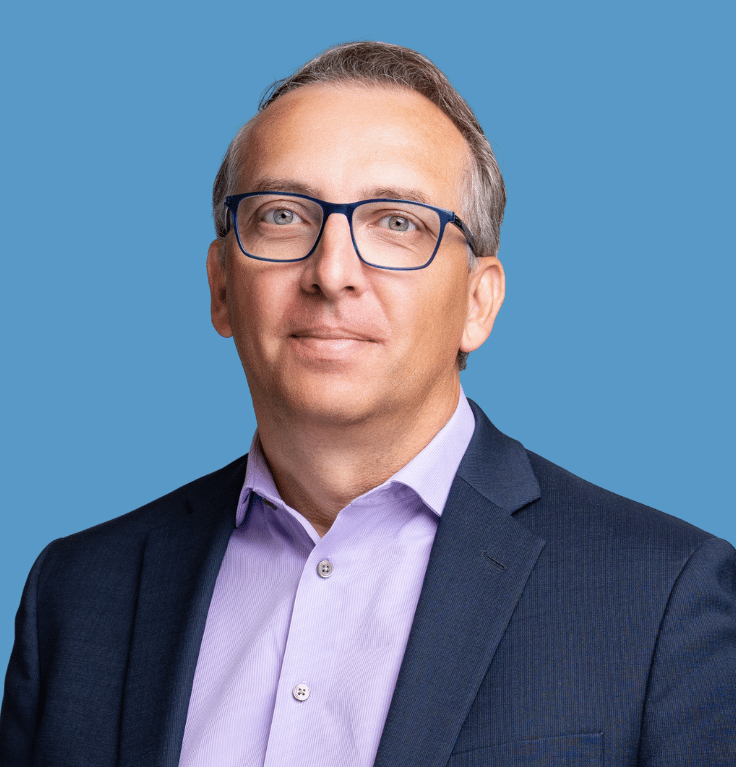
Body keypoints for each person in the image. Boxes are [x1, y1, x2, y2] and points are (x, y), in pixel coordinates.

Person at [1, 41, 734, 767]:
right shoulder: (77, 595)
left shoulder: (664, 597)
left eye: (398, 222)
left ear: (478, 303)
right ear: (221, 286)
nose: (332, 272)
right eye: (282, 215)